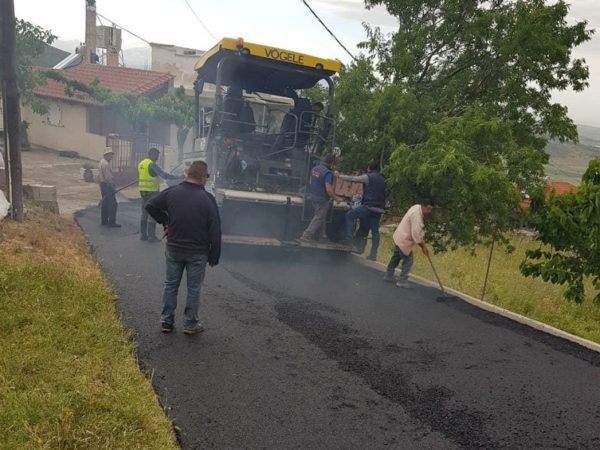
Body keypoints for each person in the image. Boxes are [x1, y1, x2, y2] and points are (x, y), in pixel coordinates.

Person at [145, 161, 221, 335]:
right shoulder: (208, 199)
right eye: (207, 177)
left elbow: (150, 205)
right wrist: (214, 255)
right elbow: (215, 229)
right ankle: (190, 324)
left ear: (188, 175)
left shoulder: (172, 192)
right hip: (198, 252)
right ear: (202, 177)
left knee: (170, 285)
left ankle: (166, 322)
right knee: (194, 288)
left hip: (174, 249)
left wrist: (166, 221)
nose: (207, 180)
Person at [337, 162, 386, 260]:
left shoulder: (368, 177)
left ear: (369, 168)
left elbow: (353, 179)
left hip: (369, 206)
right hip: (379, 208)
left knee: (350, 215)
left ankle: (349, 239)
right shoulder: (383, 179)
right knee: (375, 232)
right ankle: (373, 255)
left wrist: (339, 176)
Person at [384, 199, 435, 288]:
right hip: (404, 239)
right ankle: (402, 281)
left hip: (399, 236)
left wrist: (423, 243)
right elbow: (415, 233)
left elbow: (418, 231)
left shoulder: (416, 207)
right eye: (428, 209)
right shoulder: (417, 216)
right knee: (408, 260)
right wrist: (423, 246)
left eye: (431, 209)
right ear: (423, 206)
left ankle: (388, 275)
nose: (429, 211)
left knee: (396, 257)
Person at [138, 147, 181, 242]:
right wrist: (178, 177)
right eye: (157, 155)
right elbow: (164, 175)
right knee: (152, 213)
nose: (158, 157)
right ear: (152, 154)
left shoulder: (141, 163)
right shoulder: (152, 164)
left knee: (144, 213)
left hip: (143, 192)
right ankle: (151, 236)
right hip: (151, 192)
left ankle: (143, 235)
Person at [300, 153, 342, 243]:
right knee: (319, 217)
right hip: (322, 198)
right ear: (332, 163)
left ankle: (323, 236)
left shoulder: (315, 169)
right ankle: (306, 235)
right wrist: (336, 198)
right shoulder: (327, 173)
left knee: (321, 216)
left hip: (313, 196)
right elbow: (329, 189)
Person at [98, 147, 120, 227]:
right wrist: (113, 188)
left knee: (105, 203)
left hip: (102, 185)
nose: (112, 157)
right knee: (113, 204)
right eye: (110, 155)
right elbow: (108, 178)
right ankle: (112, 222)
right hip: (107, 185)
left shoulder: (101, 162)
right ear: (106, 155)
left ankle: (104, 221)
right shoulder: (106, 164)